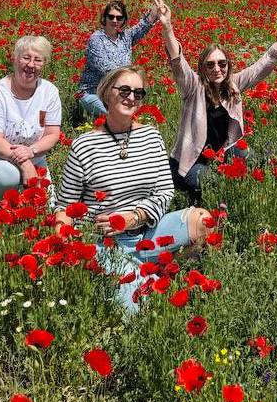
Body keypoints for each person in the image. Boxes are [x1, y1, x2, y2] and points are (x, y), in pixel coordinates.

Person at [54, 66, 211, 313]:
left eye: (138, 93)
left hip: (147, 230)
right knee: (144, 306)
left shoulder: (151, 137)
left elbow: (165, 191)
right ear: (106, 93)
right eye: (124, 90)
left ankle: (147, 268)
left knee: (205, 222)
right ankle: (138, 273)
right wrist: (64, 248)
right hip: (104, 243)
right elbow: (65, 207)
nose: (131, 98)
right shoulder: (84, 145)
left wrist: (134, 217)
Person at [157, 0, 277, 205]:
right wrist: (167, 28)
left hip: (219, 155)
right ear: (202, 68)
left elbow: (265, 63)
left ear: (228, 65)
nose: (217, 69)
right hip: (189, 162)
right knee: (214, 183)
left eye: (222, 63)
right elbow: (177, 62)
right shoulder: (193, 87)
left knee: (253, 159)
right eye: (210, 65)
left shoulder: (234, 85)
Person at [0, 36, 62, 203]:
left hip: (34, 156)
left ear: (44, 63)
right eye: (26, 58)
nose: (31, 65)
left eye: (38, 60)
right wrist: (25, 164)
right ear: (14, 59)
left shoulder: (49, 92)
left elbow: (52, 134)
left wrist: (31, 152)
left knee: (48, 207)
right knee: (8, 176)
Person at [77, 0, 169, 118]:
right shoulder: (96, 39)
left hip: (120, 93)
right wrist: (133, 78)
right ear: (105, 18)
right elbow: (107, 70)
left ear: (124, 20)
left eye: (119, 18)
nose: (115, 20)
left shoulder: (126, 37)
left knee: (135, 116)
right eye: (111, 17)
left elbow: (146, 23)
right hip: (93, 93)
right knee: (118, 115)